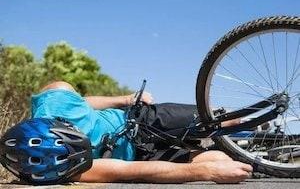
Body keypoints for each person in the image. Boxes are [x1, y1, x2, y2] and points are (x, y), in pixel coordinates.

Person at [1, 81, 253, 184]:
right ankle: (259, 156)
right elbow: (129, 170)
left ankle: (267, 123)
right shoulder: (65, 169)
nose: (83, 154)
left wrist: (124, 99)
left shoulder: (55, 98)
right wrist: (204, 171)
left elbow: (85, 101)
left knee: (226, 119)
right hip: (140, 155)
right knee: (221, 161)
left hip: (138, 120)